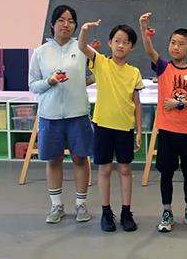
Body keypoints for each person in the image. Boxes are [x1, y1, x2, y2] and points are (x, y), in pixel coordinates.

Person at [139, 12, 187, 232]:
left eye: (181, 44)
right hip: (167, 131)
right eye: (172, 43)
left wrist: (179, 104)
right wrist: (143, 28)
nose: (175, 47)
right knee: (166, 173)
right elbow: (149, 51)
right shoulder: (163, 67)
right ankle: (166, 211)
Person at [29, 5, 94, 224]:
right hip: (50, 115)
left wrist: (82, 82)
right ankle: (56, 206)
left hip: (78, 113)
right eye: (61, 20)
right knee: (53, 159)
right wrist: (50, 81)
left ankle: (81, 204)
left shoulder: (82, 49)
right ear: (52, 24)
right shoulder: (40, 52)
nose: (66, 25)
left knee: (80, 158)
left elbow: (96, 73)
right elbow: (33, 85)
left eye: (71, 21)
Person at [78, 20, 143, 232]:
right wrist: (84, 30)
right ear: (110, 43)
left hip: (125, 127)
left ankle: (126, 212)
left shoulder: (134, 72)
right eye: (117, 41)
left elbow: (137, 103)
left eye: (126, 42)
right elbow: (82, 46)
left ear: (132, 47)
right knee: (104, 169)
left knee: (125, 169)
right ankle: (106, 213)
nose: (121, 45)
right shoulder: (101, 63)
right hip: (103, 126)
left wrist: (139, 130)